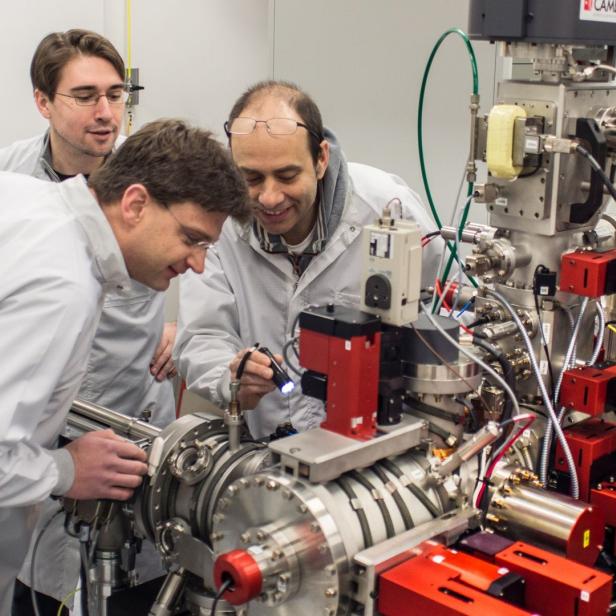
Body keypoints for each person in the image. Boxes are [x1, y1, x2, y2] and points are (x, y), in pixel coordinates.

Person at [0, 119, 249, 614]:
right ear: (134, 203)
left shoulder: (25, 199)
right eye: (191, 239)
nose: (197, 264)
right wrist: (65, 469)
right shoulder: (62, 286)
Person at [0, 30, 178, 614]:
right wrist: (54, 466)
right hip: (34, 431)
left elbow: (205, 262)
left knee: (130, 587)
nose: (106, 113)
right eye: (84, 95)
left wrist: (186, 330)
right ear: (42, 102)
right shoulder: (15, 177)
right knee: (38, 586)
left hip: (122, 419)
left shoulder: (149, 175)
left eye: (116, 94)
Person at [175, 80, 442, 440]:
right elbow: (202, 334)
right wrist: (232, 375)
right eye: (251, 178)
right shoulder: (220, 224)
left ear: (320, 159)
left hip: (376, 446)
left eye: (287, 176)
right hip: (267, 447)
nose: (269, 198)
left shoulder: (389, 211)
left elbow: (446, 315)